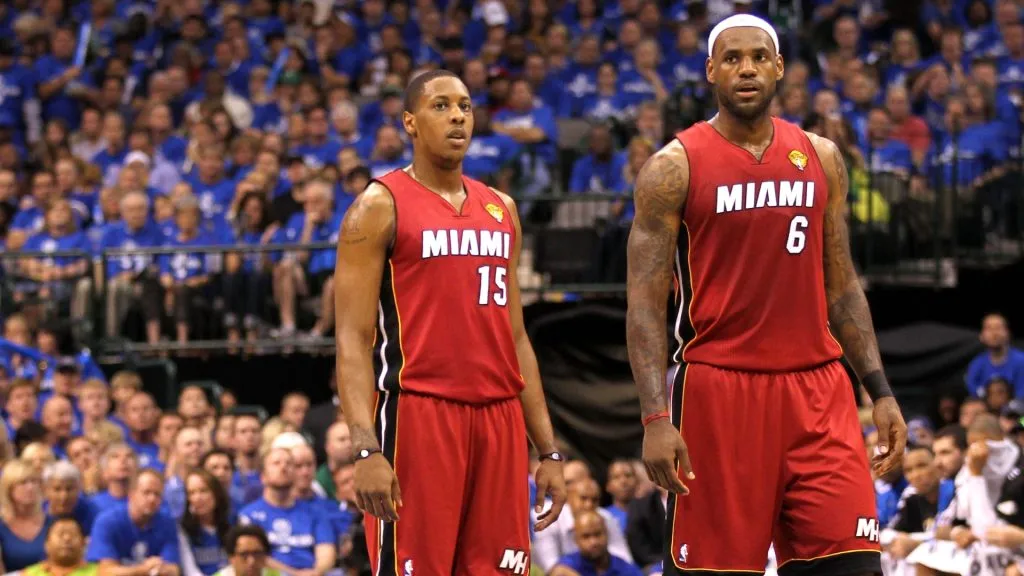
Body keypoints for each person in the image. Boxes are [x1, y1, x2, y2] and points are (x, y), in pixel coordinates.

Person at [624, 14, 907, 575]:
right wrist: (655, 416)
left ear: (779, 67)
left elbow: (842, 284)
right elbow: (645, 307)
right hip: (720, 391)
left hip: (818, 391)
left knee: (852, 565)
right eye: (732, 58)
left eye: (758, 57)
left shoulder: (821, 157)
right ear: (711, 71)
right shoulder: (672, 168)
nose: (746, 68)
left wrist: (879, 389)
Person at [334, 69, 567, 575]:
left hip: (499, 420)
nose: (457, 116)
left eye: (464, 106)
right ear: (410, 122)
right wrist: (365, 448)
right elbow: (352, 339)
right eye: (440, 106)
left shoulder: (502, 209)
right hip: (418, 415)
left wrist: (548, 451)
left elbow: (516, 339)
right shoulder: (377, 206)